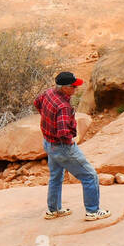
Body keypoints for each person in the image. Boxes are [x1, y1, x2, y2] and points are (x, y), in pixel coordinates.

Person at [35, 71, 109, 221]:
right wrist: (71, 141)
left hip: (48, 143)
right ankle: (93, 211)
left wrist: (48, 120)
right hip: (62, 147)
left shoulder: (49, 92)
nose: (76, 89)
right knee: (90, 176)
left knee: (56, 177)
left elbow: (37, 103)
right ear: (65, 88)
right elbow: (63, 132)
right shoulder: (63, 106)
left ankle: (54, 210)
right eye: (74, 87)